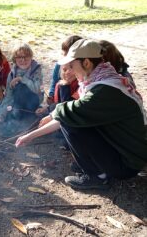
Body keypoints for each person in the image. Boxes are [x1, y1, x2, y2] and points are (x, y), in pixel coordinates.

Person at [16, 39, 147, 190]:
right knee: (71, 118)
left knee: (70, 122)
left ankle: (97, 175)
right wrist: (33, 133)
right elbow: (69, 111)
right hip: (128, 150)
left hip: (128, 163)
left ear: (86, 63)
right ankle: (98, 165)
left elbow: (66, 114)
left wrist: (36, 130)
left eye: (72, 66)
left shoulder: (103, 91)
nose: (69, 71)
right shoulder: (106, 77)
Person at [0, 43, 43, 122]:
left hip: (33, 102)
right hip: (18, 104)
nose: (23, 60)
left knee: (21, 87)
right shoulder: (13, 74)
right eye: (20, 57)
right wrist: (2, 114)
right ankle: (18, 115)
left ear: (31, 57)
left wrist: (21, 79)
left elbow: (37, 89)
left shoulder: (36, 70)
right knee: (11, 118)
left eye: (26, 56)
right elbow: (8, 95)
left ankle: (30, 116)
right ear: (15, 59)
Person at [46, 35, 82, 105]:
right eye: (63, 54)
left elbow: (68, 104)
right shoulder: (59, 65)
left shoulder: (81, 75)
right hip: (59, 102)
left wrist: (64, 86)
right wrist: (51, 95)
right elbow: (54, 82)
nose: (64, 58)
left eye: (67, 55)